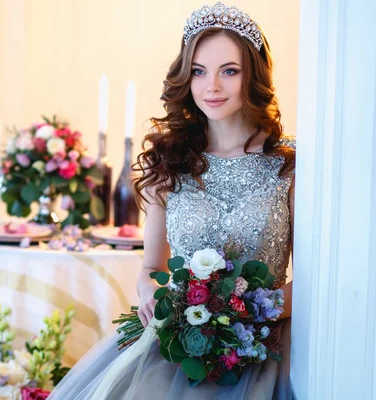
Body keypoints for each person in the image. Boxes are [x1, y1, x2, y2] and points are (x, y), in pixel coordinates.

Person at [49, 2, 295, 399]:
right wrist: (150, 292)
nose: (211, 86)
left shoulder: (288, 165)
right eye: (198, 71)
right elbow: (151, 266)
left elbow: (313, 284)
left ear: (253, 76)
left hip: (260, 352)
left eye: (228, 71)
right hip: (177, 344)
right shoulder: (171, 162)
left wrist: (244, 312)